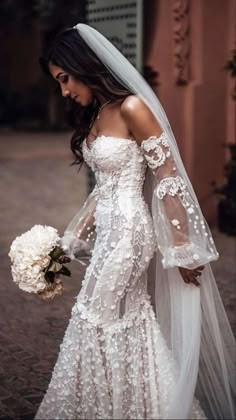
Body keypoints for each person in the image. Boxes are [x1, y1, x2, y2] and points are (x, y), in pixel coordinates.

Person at [35, 24, 235, 420]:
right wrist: (69, 242)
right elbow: (102, 190)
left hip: (129, 236)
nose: (64, 92)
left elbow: (169, 179)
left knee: (97, 317)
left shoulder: (132, 108)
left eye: (65, 79)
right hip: (110, 232)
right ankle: (136, 406)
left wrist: (183, 247)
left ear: (82, 66)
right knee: (121, 320)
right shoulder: (100, 112)